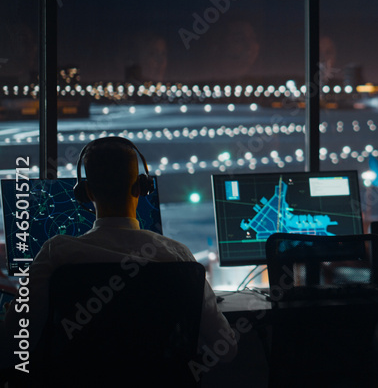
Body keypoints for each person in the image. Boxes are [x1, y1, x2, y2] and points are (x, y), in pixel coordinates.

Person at [3, 137, 237, 368]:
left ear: (86, 192)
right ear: (141, 187)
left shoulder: (57, 254)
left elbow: (11, 347)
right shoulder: (178, 256)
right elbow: (225, 349)